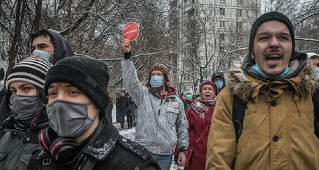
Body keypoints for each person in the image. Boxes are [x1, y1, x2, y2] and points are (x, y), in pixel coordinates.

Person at [206, 11, 319, 170]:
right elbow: (218, 164)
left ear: (292, 50)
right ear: (252, 51)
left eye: (283, 37)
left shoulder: (317, 96)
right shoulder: (231, 97)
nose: (274, 43)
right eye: (264, 38)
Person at [31, 56, 161, 170]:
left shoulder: (136, 164)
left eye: (72, 92)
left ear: (97, 101)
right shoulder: (38, 159)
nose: (59, 101)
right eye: (53, 93)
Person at [122, 40, 189, 170]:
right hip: (143, 152)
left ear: (165, 79)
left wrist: (182, 149)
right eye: (152, 75)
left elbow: (182, 127)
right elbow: (130, 81)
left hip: (165, 155)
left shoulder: (176, 101)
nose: (155, 77)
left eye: (158, 75)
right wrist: (127, 56)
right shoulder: (142, 95)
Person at [0, 58, 52, 169]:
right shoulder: (8, 129)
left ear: (45, 93)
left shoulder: (55, 137)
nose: (18, 96)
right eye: (13, 91)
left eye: (26, 88)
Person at [185, 81, 217, 170]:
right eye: (204, 89)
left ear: (215, 93)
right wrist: (180, 151)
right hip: (196, 153)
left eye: (210, 89)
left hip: (214, 153)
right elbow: (185, 129)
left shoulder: (221, 107)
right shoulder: (193, 107)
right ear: (201, 92)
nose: (207, 91)